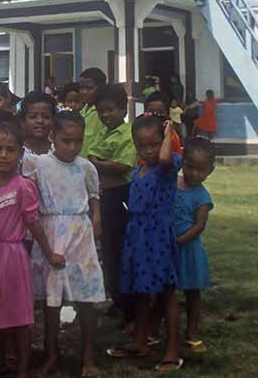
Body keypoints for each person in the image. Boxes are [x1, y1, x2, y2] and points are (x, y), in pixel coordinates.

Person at [0, 121, 61, 378]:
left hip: (13, 257)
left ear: (20, 153)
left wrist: (48, 253)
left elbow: (33, 224)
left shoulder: (23, 186)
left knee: (18, 316)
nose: (3, 155)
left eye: (10, 149)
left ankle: (23, 368)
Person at [31, 111, 105, 378]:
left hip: (80, 234)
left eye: (78, 141)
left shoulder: (86, 167)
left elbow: (94, 196)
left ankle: (88, 357)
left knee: (87, 297)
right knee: (51, 301)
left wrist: (96, 219)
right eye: (65, 141)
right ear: (52, 137)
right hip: (51, 234)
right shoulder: (38, 164)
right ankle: (50, 354)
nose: (72, 147)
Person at [108, 114, 183, 372]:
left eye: (154, 144)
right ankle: (140, 341)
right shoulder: (138, 171)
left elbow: (163, 157)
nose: (149, 150)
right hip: (137, 236)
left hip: (158, 236)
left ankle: (172, 350)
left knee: (166, 294)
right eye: (142, 146)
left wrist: (170, 130)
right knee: (140, 292)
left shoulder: (169, 164)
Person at [84, 84, 137, 320]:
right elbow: (91, 157)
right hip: (103, 198)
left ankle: (129, 304)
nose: (106, 115)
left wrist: (99, 164)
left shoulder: (128, 134)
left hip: (121, 197)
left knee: (121, 250)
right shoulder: (102, 133)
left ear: (124, 109)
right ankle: (117, 298)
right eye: (102, 111)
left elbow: (122, 167)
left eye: (110, 110)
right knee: (108, 251)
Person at [174, 137, 215, 354]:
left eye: (201, 170)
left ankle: (191, 331)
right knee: (166, 291)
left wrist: (180, 240)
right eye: (190, 167)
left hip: (188, 250)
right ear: (182, 162)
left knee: (192, 293)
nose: (194, 174)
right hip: (168, 247)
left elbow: (199, 226)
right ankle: (157, 327)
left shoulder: (202, 196)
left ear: (210, 170)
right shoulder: (172, 184)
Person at [19, 91, 56, 178]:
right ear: (23, 121)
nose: (40, 121)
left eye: (46, 117)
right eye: (33, 116)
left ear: (53, 120)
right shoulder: (17, 152)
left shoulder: (58, 151)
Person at [144, 92, 183, 156]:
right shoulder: (140, 132)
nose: (155, 115)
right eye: (151, 111)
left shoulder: (171, 136)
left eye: (160, 112)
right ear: (144, 113)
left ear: (167, 115)